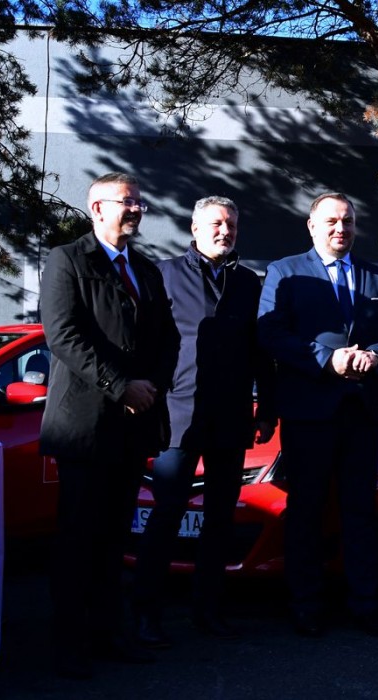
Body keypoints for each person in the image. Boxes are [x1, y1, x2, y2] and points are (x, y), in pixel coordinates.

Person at [39, 172, 179, 678]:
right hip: (84, 427)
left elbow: (168, 339)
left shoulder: (146, 269)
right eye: (127, 201)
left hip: (132, 426)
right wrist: (121, 386)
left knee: (115, 539)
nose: (136, 209)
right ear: (97, 208)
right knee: (79, 539)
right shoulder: (67, 260)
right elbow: (63, 335)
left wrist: (151, 387)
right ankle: (69, 646)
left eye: (140, 202)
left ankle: (109, 635)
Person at [257, 192, 378, 638]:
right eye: (331, 221)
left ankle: (365, 604)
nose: (341, 229)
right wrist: (327, 359)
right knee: (306, 510)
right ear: (312, 226)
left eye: (348, 221)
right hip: (308, 413)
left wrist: (376, 356)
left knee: (360, 510)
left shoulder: (377, 278)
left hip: (360, 413)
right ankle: (306, 605)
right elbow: (270, 333)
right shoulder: (285, 273)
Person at [133, 196, 277, 647]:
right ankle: (145, 615)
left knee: (219, 520)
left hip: (231, 419)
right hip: (177, 417)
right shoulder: (163, 274)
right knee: (166, 516)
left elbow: (260, 352)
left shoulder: (248, 283)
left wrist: (267, 409)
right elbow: (146, 344)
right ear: (194, 228)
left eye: (231, 224)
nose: (224, 231)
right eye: (216, 224)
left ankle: (208, 611)